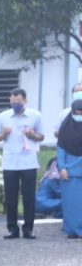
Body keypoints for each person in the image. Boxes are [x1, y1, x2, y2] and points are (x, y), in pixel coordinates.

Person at [0, 87, 45, 239]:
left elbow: (41, 136)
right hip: (10, 162)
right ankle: (12, 228)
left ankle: (28, 228)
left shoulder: (35, 115)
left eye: (18, 102)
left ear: (25, 101)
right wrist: (4, 134)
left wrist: (32, 134)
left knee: (29, 196)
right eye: (13, 101)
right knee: (11, 197)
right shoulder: (3, 116)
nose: (15, 104)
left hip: (28, 160)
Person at [56, 99, 82, 238]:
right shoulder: (65, 129)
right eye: (77, 113)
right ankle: (72, 230)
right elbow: (60, 150)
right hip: (70, 172)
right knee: (71, 204)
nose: (79, 116)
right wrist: (62, 168)